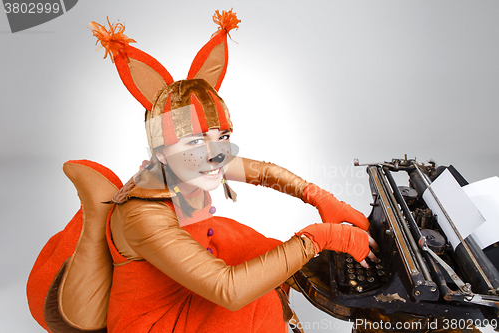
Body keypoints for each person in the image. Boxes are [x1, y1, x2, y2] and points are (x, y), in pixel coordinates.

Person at [27, 10, 376, 333]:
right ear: (161, 152)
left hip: (182, 271)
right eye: (194, 142)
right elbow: (229, 290)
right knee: (259, 307)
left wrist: (317, 195)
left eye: (221, 137)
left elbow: (262, 172)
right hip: (153, 321)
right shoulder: (141, 215)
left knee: (263, 246)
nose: (214, 155)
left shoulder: (182, 168)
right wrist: (321, 237)